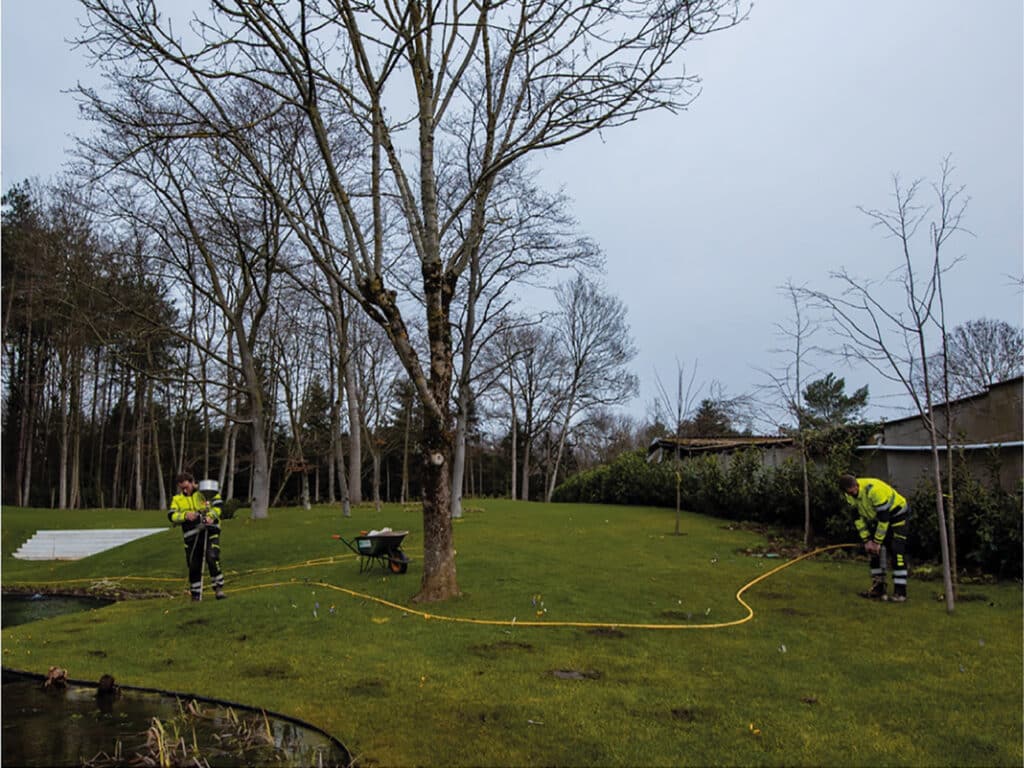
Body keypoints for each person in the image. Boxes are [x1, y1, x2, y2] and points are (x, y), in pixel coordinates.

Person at [839, 474, 910, 602]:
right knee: (873, 552)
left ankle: (900, 592)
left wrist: (877, 542)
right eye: (851, 492)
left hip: (898, 516)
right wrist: (867, 541)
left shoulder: (874, 490)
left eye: (855, 488)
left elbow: (884, 519)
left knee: (896, 550)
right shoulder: (849, 497)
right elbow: (858, 520)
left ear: (857, 484)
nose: (854, 492)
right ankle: (878, 588)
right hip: (879, 519)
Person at [168, 472, 226, 601]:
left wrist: (211, 516)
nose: (185, 490)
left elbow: (219, 506)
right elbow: (171, 515)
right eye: (182, 488)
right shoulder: (177, 499)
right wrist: (185, 516)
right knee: (194, 565)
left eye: (186, 487)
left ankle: (218, 588)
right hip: (191, 536)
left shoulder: (205, 491)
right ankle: (195, 594)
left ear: (192, 482)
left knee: (212, 556)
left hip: (210, 531)